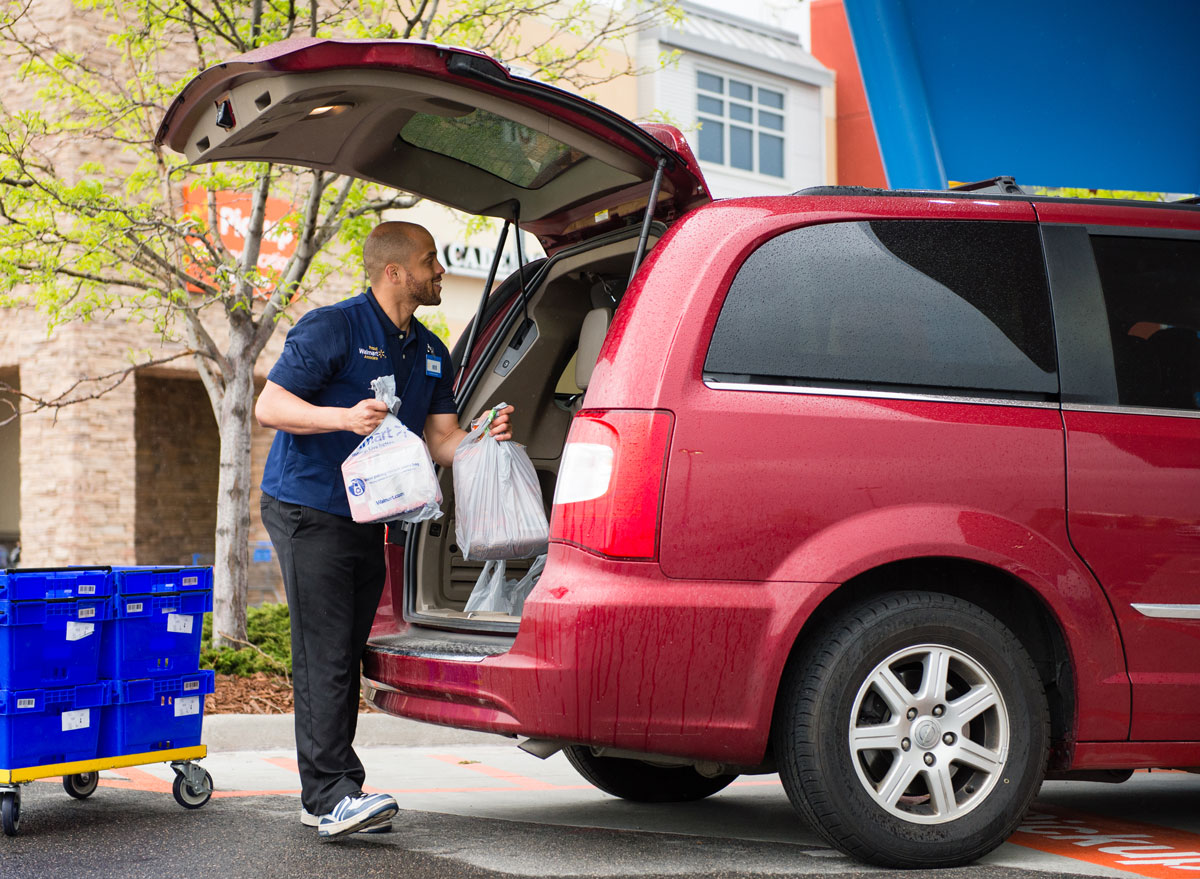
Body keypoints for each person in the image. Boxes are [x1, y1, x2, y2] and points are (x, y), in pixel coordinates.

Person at [256, 221, 513, 839]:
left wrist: (481, 441)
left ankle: (336, 789)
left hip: (371, 517)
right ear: (394, 271)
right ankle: (327, 798)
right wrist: (342, 417)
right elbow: (270, 405)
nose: (440, 271)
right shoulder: (333, 327)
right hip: (308, 507)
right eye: (430, 261)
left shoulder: (429, 348)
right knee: (326, 651)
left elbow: (442, 439)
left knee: (346, 649)